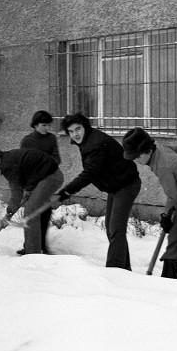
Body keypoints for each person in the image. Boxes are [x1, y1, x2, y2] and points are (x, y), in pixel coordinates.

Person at [52, 113, 141, 270]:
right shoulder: (87, 140)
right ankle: (124, 269)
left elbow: (90, 173)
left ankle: (115, 271)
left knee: (115, 229)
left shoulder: (95, 144)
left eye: (78, 129)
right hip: (116, 185)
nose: (75, 134)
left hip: (126, 185)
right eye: (71, 131)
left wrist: (66, 192)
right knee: (112, 228)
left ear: (85, 126)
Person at [122, 127, 177, 281]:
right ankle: (168, 281)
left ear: (148, 151)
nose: (135, 160)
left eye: (137, 156)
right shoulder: (158, 149)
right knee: (174, 239)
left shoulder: (163, 167)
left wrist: (166, 215)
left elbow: (172, 195)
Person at [0, 146, 61, 254]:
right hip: (44, 176)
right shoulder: (7, 159)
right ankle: (36, 247)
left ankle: (32, 253)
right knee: (34, 209)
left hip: (50, 176)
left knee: (30, 212)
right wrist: (10, 213)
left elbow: (16, 193)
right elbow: (20, 186)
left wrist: (9, 214)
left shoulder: (7, 165)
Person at [16, 110, 63, 254]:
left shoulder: (51, 139)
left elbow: (57, 158)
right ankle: (29, 246)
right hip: (33, 180)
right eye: (44, 125)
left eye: (49, 125)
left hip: (47, 178)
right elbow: (23, 162)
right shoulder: (27, 140)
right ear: (35, 125)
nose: (47, 128)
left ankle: (43, 245)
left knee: (44, 212)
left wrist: (46, 164)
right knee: (31, 212)